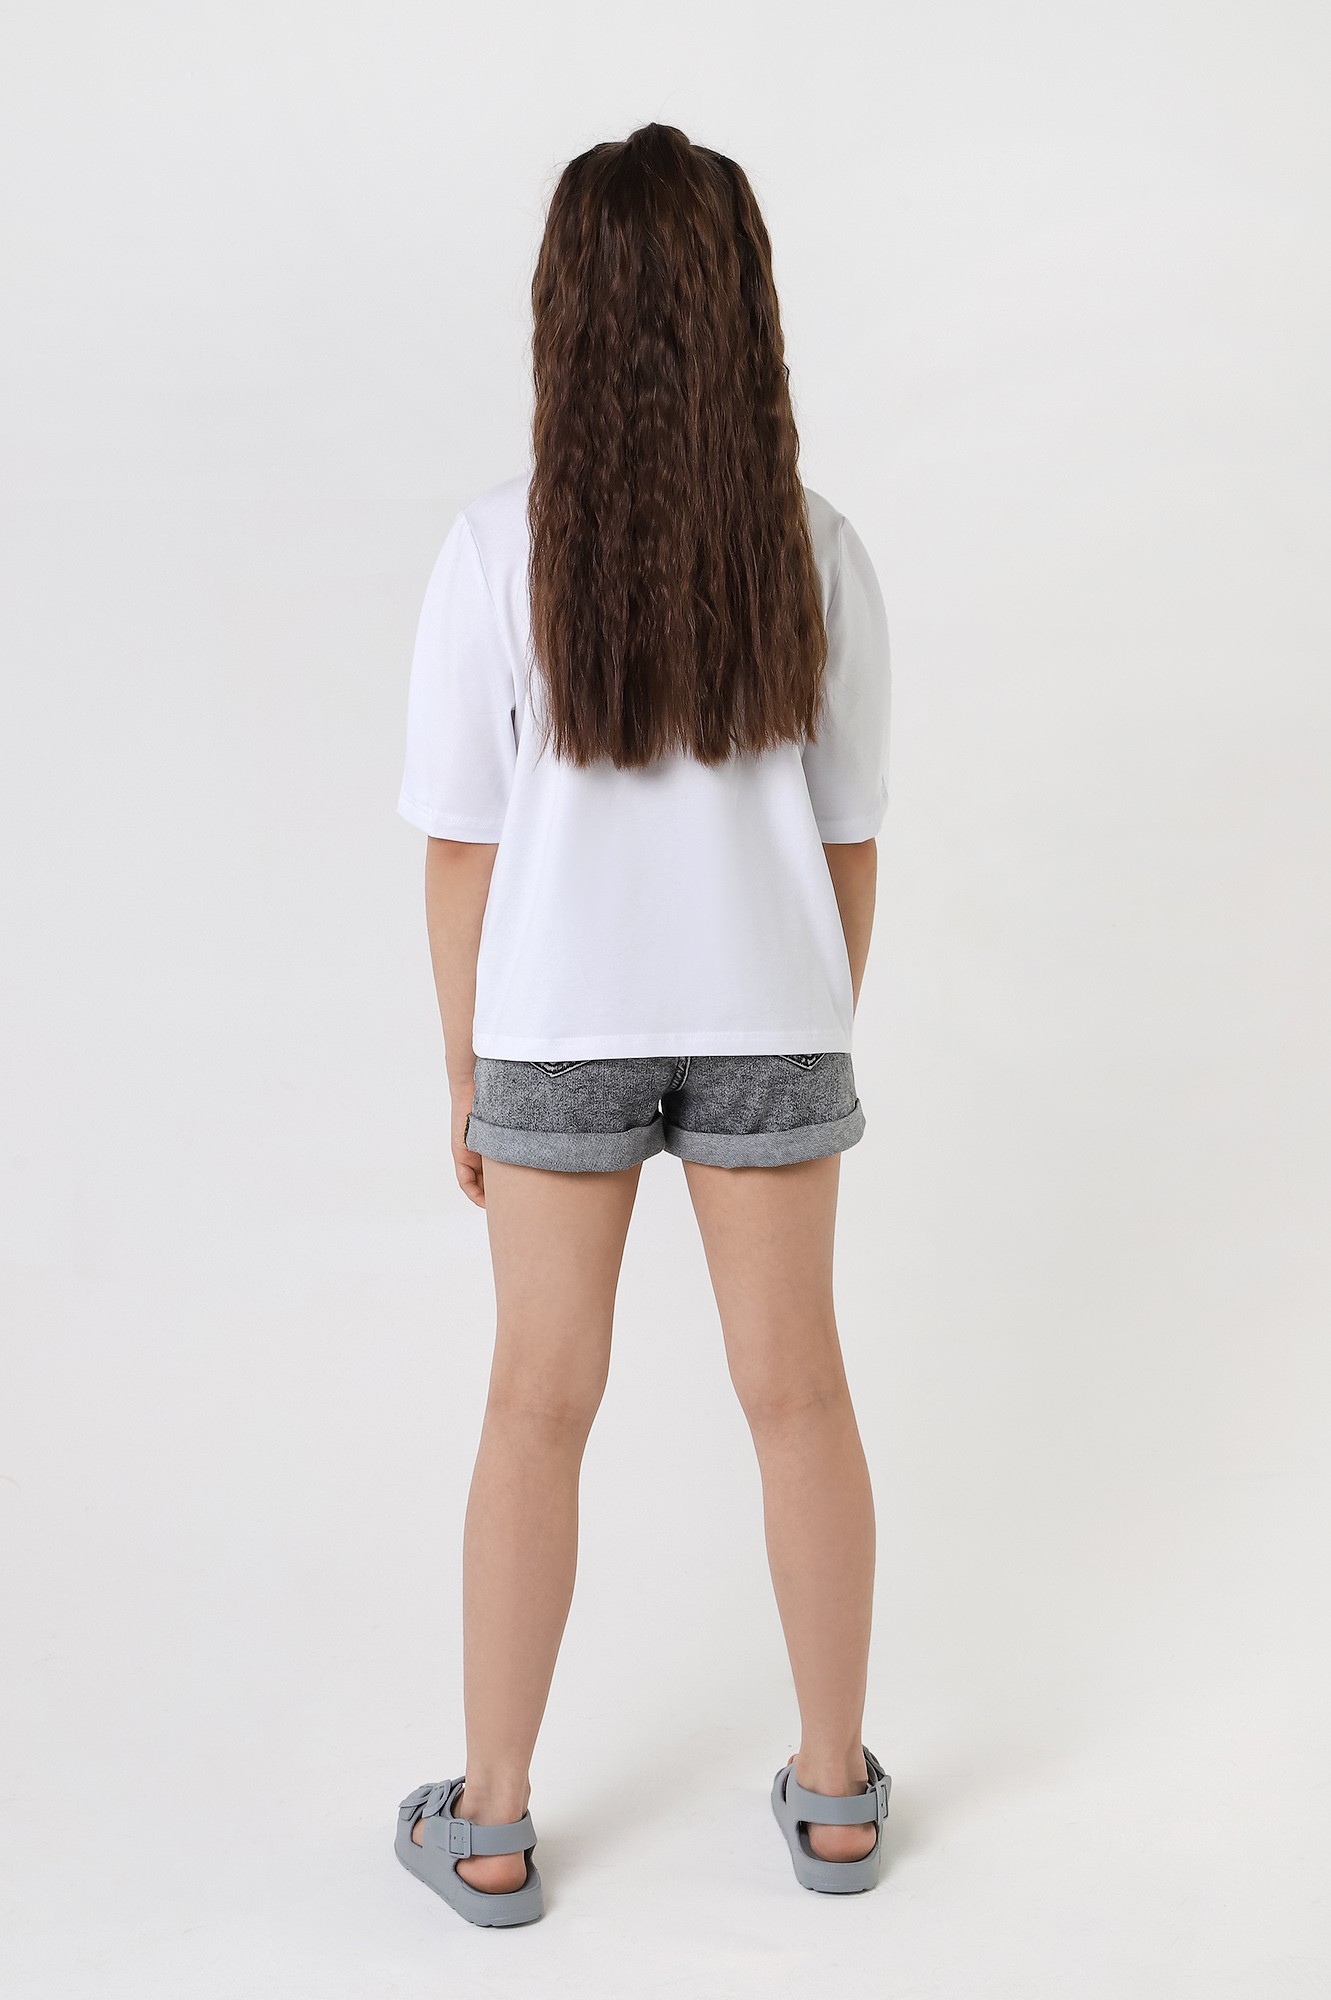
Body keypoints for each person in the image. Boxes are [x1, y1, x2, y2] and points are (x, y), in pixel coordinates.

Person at [392, 123, 892, 1927]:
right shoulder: (816, 550)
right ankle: (835, 1799)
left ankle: (491, 1824)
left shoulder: (495, 549)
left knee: (535, 1403)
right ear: (745, 307)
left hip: (556, 1023)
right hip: (774, 1018)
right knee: (800, 1392)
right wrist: (809, 1025)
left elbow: (465, 845)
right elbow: (846, 843)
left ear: (568, 314)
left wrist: (467, 1065)